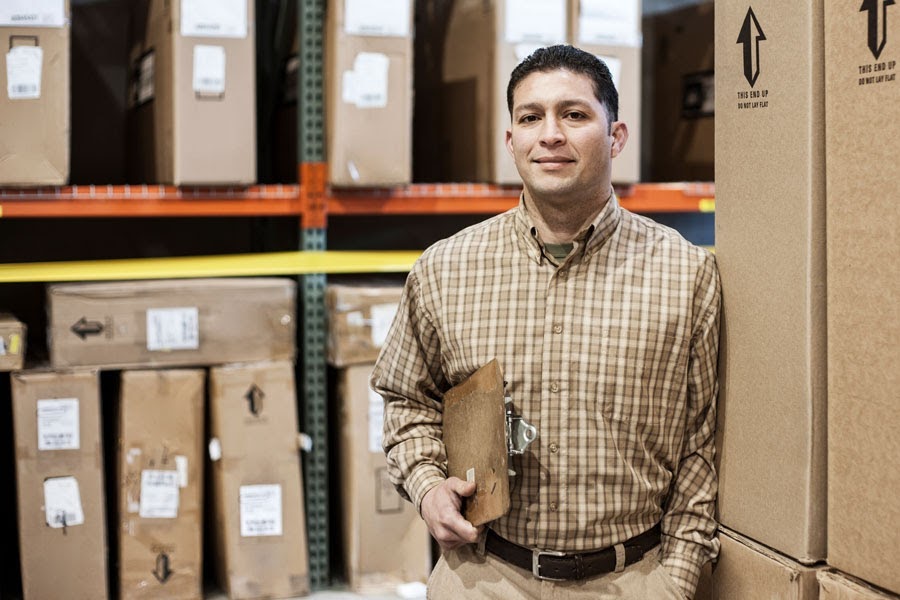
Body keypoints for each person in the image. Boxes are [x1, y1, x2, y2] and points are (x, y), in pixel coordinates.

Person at [371, 44, 721, 599]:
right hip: (483, 577)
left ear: (616, 136)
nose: (550, 134)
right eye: (530, 117)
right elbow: (406, 400)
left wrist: (675, 582)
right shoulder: (444, 269)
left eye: (574, 114)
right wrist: (428, 486)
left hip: (633, 579)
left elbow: (704, 443)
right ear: (511, 141)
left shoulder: (687, 274)